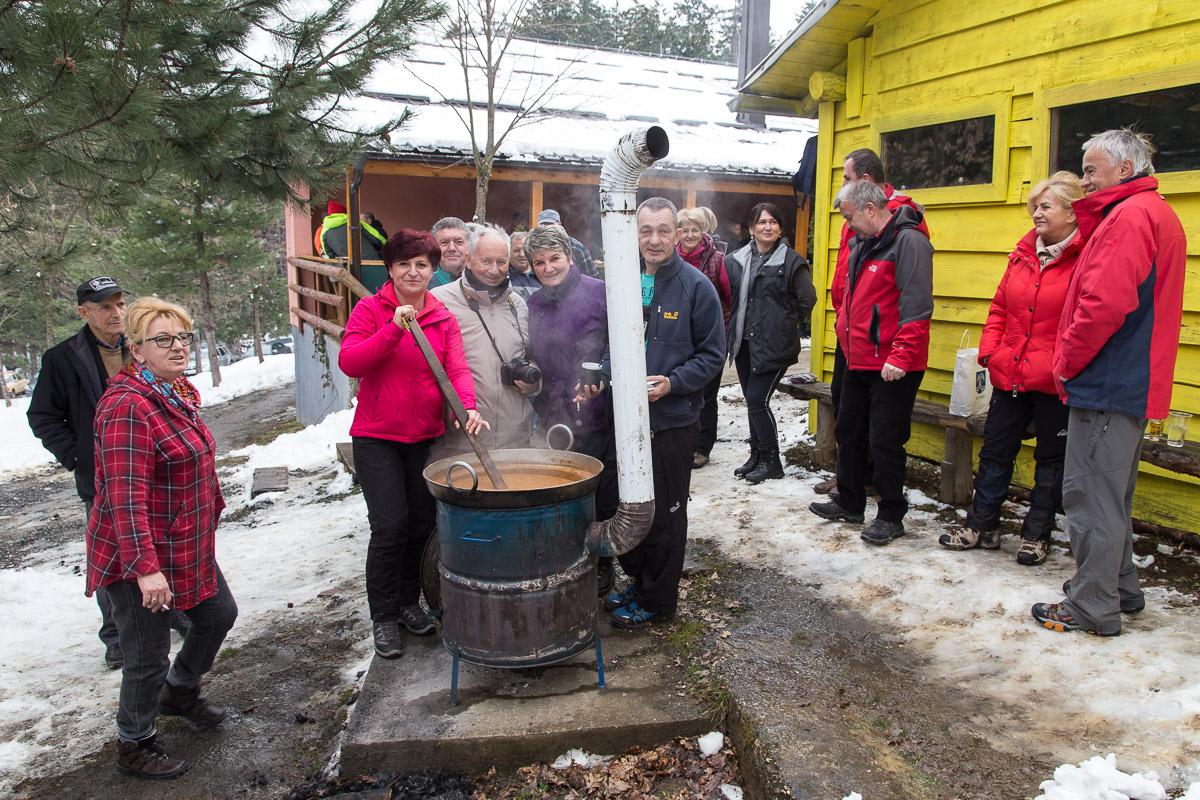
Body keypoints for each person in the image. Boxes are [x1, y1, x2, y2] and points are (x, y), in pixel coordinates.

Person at [1033, 129, 1186, 636]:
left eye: (1092, 169)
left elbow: (1104, 305)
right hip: (1127, 378)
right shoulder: (1149, 212)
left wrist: (1067, 361)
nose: (1085, 178)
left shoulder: (1129, 217)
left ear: (1124, 169)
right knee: (1111, 493)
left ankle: (1092, 605)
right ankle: (1119, 587)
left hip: (1108, 376)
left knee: (1090, 496)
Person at [87, 297, 237, 779]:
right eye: (163, 339)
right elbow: (123, 498)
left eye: (183, 337)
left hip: (183, 543)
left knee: (217, 615)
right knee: (147, 656)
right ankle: (134, 742)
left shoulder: (175, 392)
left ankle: (181, 690)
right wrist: (146, 570)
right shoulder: (129, 407)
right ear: (136, 349)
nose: (178, 347)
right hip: (139, 556)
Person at [28, 277, 189, 670]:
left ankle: (175, 611)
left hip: (155, 472)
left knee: (162, 543)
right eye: (105, 307)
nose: (116, 313)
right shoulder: (63, 357)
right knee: (113, 553)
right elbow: (43, 417)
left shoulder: (143, 345)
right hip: (100, 477)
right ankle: (116, 635)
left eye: (120, 304)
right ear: (84, 313)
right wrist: (81, 459)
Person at [338, 228, 486, 658]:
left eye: (422, 264)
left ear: (432, 269)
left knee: (421, 527)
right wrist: (395, 329)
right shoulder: (371, 310)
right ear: (390, 269)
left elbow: (457, 369)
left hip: (425, 438)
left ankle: (408, 603)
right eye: (404, 264)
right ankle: (383, 617)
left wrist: (467, 406)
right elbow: (351, 361)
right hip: (377, 438)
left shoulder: (442, 316)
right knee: (389, 528)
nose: (413, 271)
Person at [938, 172, 1084, 564]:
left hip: (1054, 381)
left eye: (1046, 206)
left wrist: (1060, 366)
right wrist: (991, 354)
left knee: (1051, 462)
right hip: (1011, 374)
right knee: (996, 452)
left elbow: (1085, 321)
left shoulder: (1085, 258)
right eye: (1034, 205)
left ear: (1072, 214)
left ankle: (1036, 536)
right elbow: (1000, 308)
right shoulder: (1021, 254)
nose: (1036, 212)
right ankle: (981, 525)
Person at [605, 197, 725, 629]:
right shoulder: (623, 278)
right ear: (634, 234)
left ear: (678, 234)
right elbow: (609, 342)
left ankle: (659, 600)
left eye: (663, 231)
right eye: (645, 231)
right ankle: (641, 581)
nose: (654, 240)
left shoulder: (696, 286)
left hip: (672, 421)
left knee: (667, 512)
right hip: (625, 421)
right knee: (633, 506)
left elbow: (713, 356)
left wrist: (672, 383)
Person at [808, 180, 933, 545]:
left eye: (849, 217)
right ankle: (850, 501)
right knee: (849, 431)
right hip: (859, 357)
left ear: (870, 209)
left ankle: (891, 514)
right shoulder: (861, 242)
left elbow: (917, 305)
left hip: (894, 365)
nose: (847, 224)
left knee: (885, 441)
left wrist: (901, 355)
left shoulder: (909, 242)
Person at [524, 224, 618, 594]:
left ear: (569, 255)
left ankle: (601, 563)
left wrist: (603, 375)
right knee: (560, 493)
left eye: (554, 258)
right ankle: (564, 560)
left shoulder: (599, 294)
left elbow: (621, 343)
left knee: (598, 495)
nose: (548, 268)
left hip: (596, 413)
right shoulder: (532, 304)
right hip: (552, 415)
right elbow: (531, 353)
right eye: (539, 262)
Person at [725, 202, 816, 483]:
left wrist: (783, 324)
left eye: (773, 222)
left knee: (757, 400)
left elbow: (807, 300)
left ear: (780, 228)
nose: (768, 227)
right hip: (745, 344)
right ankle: (757, 456)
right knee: (753, 403)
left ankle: (772, 460)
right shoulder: (737, 259)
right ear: (751, 228)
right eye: (761, 222)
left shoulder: (791, 261)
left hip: (774, 346)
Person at [432, 224, 537, 459]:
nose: (494, 270)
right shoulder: (439, 301)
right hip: (460, 440)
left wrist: (533, 382)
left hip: (515, 440)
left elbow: (531, 357)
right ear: (468, 259)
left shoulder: (518, 305)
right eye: (486, 261)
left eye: (501, 262)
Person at [675, 208, 732, 470]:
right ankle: (683, 444)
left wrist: (723, 332)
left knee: (707, 396)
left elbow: (728, 298)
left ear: (703, 232)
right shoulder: (670, 258)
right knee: (683, 391)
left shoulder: (717, 260)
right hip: (679, 336)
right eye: (684, 229)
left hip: (709, 336)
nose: (689, 235)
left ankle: (702, 447)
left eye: (694, 230)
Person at [537, 208, 599, 278]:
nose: (547, 228)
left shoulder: (576, 248)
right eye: (543, 225)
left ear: (559, 225)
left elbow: (593, 277)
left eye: (550, 224)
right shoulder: (534, 248)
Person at [317, 200, 385, 261]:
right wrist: (388, 248)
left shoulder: (324, 232)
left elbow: (327, 254)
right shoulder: (354, 222)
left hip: (349, 266)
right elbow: (376, 237)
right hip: (371, 261)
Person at [430, 216, 470, 288]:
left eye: (459, 242)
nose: (452, 248)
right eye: (444, 242)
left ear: (469, 246)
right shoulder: (424, 286)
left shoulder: (484, 282)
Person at [507, 230, 541, 300]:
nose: (522, 254)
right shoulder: (504, 276)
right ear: (509, 252)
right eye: (516, 250)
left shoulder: (541, 273)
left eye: (525, 249)